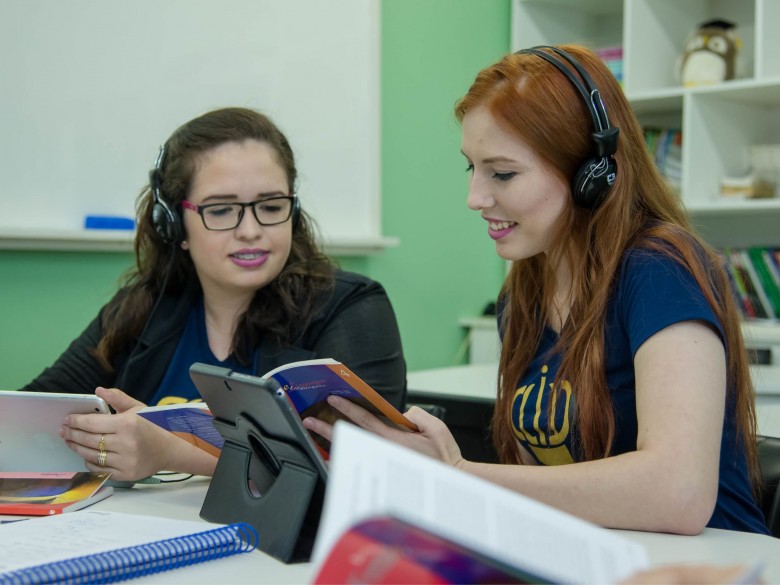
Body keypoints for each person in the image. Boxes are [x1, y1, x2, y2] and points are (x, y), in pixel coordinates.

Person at [303, 45, 770, 535]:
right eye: (471, 167)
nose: (475, 197)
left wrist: (457, 475)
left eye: (502, 173)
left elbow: (679, 494)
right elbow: (543, 486)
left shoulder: (659, 269)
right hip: (600, 554)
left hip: (713, 560)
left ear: (590, 173)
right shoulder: (523, 293)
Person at [23, 107, 406, 481]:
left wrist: (170, 450)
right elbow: (28, 415)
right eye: (221, 210)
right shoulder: (141, 310)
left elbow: (356, 458)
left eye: (271, 206)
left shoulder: (351, 307)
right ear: (175, 225)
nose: (250, 230)